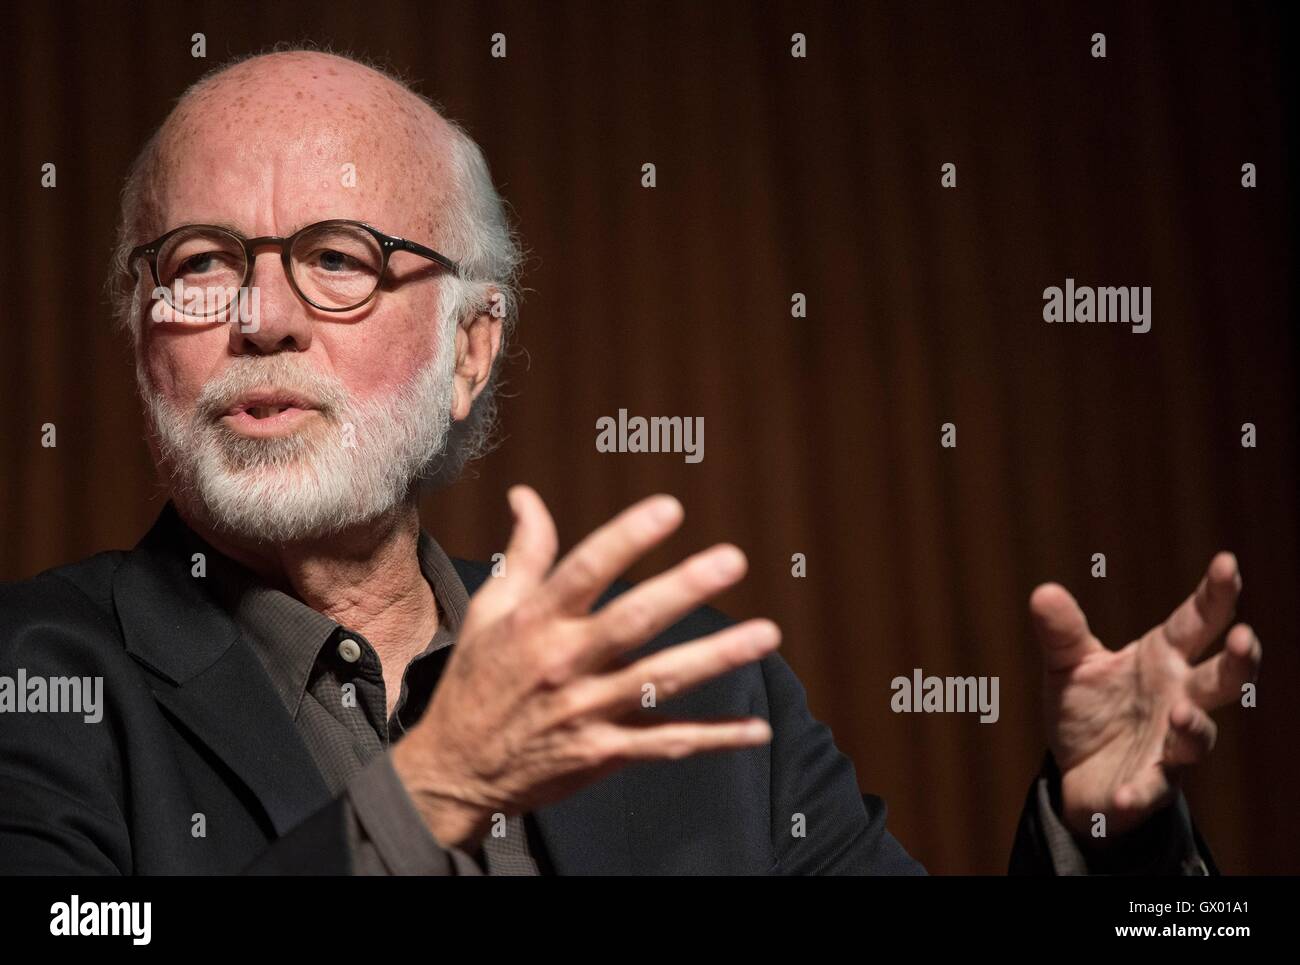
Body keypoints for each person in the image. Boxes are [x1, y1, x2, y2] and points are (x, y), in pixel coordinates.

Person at [0, 48, 1260, 875]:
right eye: (200, 262)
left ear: (470, 350)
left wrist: (1106, 833)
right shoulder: (37, 683)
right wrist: (427, 792)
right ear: (138, 332)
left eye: (336, 258)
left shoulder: (699, 690)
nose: (259, 317)